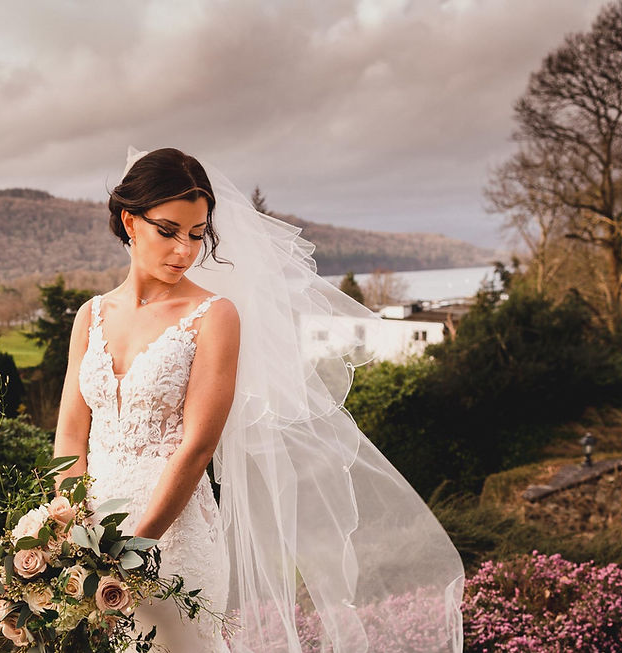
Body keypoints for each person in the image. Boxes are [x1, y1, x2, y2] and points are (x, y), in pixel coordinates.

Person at [53, 147, 465, 652]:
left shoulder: (214, 315)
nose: (184, 250)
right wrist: (70, 529)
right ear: (129, 221)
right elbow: (71, 436)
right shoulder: (89, 317)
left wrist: (136, 545)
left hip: (170, 540)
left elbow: (198, 446)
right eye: (168, 231)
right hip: (86, 540)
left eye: (197, 234)